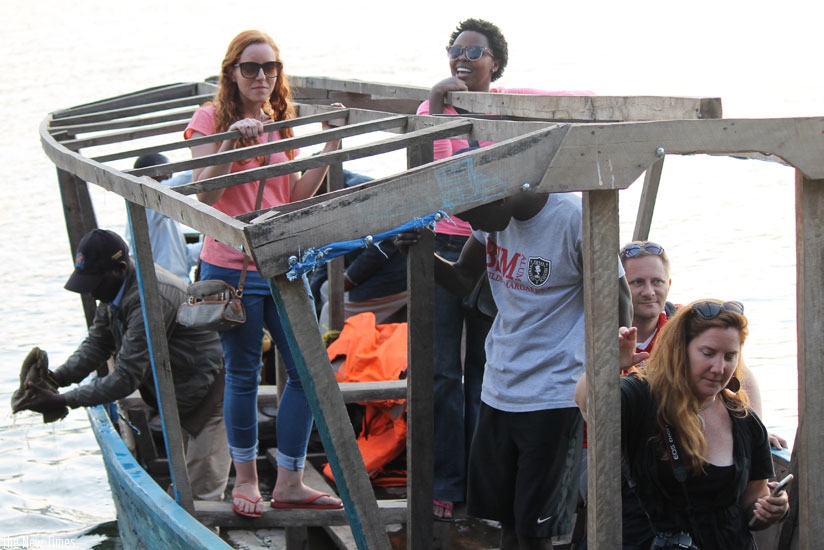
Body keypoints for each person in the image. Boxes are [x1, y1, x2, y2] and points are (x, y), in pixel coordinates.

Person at [417, 18, 594, 521]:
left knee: (478, 369)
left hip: (497, 232)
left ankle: (479, 484)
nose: (463, 59)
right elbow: (434, 177)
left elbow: (581, 98)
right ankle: (451, 483)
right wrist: (439, 102)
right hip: (460, 231)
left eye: (475, 53)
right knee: (442, 373)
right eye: (456, 50)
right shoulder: (434, 107)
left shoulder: (509, 111)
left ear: (496, 63)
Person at [395, 185, 632, 549]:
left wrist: (605, 374)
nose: (473, 225)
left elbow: (619, 302)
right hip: (500, 388)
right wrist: (420, 250)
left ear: (501, 197)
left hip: (555, 395)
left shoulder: (572, 219)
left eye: (474, 217)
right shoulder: (490, 217)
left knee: (535, 531)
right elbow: (461, 280)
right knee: (506, 521)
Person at [185, 29, 343, 518]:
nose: (262, 76)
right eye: (251, 67)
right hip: (230, 265)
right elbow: (203, 196)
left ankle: (291, 479)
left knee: (305, 373)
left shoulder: (281, 121)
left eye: (270, 67)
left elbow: (291, 199)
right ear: (231, 72)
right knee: (243, 374)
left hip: (280, 262)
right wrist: (234, 142)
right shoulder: (209, 120)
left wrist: (328, 151)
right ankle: (247, 479)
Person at [17, 228, 230, 501]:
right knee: (185, 491)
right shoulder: (114, 292)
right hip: (181, 395)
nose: (91, 293)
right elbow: (97, 343)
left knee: (200, 500)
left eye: (94, 282)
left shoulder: (149, 298)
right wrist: (57, 378)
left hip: (210, 395)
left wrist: (64, 400)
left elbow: (125, 378)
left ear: (119, 269)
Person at [575, 301, 790, 550]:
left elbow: (753, 499)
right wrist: (609, 363)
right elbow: (586, 402)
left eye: (730, 356)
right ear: (680, 350)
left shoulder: (745, 422)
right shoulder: (643, 396)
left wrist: (773, 508)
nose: (719, 368)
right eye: (708, 353)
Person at [619, 239, 787, 449]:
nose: (649, 292)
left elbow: (742, 375)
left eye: (657, 282)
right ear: (620, 286)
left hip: (682, 441)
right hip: (622, 442)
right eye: (637, 282)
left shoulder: (686, 324)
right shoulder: (599, 333)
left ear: (668, 284)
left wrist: (756, 432)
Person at [309, 171, 408, 330]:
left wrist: (349, 278)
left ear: (322, 179)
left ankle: (333, 353)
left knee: (331, 311)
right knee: (324, 288)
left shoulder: (360, 190)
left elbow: (386, 243)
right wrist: (310, 297)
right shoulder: (333, 192)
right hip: (372, 272)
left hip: (395, 275)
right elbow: (328, 252)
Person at [124, 153, 201, 282]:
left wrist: (210, 246)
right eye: (166, 174)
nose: (170, 177)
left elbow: (183, 257)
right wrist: (210, 160)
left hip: (181, 283)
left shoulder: (162, 213)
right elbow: (184, 179)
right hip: (164, 287)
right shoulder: (146, 205)